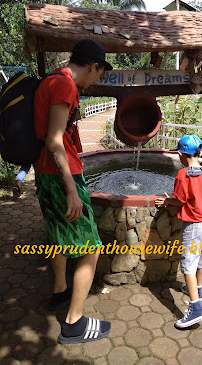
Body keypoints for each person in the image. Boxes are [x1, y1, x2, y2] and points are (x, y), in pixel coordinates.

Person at [34, 39, 113, 344]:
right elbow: (55, 140)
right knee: (91, 247)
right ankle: (74, 323)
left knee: (58, 234)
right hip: (60, 174)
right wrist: (71, 189)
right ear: (92, 65)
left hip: (44, 171)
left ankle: (59, 293)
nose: (96, 81)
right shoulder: (65, 86)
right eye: (99, 74)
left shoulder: (51, 78)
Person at [155, 134, 202, 328]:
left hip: (194, 225)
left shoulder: (183, 175)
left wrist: (166, 201)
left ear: (181, 154)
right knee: (201, 258)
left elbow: (179, 200)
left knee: (188, 264)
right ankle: (198, 289)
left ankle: (196, 308)